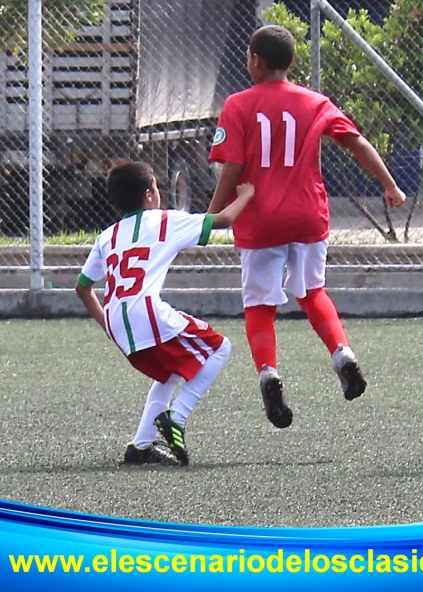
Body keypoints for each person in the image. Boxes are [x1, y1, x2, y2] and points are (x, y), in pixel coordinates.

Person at [208, 25, 406, 429]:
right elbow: (356, 142)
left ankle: (269, 373)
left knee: (261, 304)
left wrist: (213, 213)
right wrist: (389, 183)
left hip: (260, 219)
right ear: (292, 62)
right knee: (312, 292)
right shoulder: (315, 102)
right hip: (306, 215)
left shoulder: (238, 104)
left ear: (255, 61)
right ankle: (342, 354)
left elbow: (233, 165)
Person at [75, 162, 254, 466]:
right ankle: (178, 417)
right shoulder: (165, 221)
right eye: (156, 187)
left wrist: (108, 324)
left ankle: (140, 447)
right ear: (149, 195)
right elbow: (223, 220)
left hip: (119, 326)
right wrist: (247, 194)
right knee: (220, 347)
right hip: (147, 315)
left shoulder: (107, 236)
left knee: (170, 374)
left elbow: (82, 287)